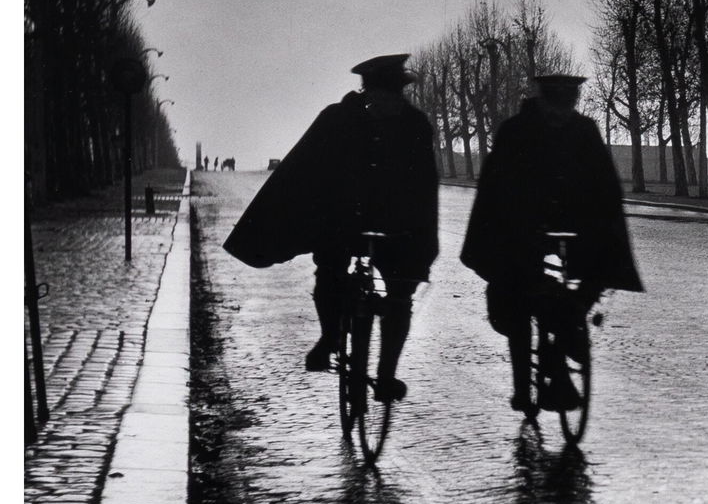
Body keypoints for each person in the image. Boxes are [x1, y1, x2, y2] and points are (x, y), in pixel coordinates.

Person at [223, 54, 439, 402]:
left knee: (401, 294)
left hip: (396, 226)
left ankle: (386, 375)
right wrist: (311, 217)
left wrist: (423, 238)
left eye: (396, 95)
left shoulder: (416, 125)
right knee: (330, 271)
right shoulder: (336, 120)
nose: (390, 102)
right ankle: (330, 336)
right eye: (383, 94)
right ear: (367, 92)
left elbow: (425, 186)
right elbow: (303, 170)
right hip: (342, 221)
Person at [461, 72, 643, 417]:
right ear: (541, 100)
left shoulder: (585, 130)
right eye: (554, 104)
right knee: (518, 301)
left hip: (573, 228)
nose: (561, 112)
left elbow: (604, 184)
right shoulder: (514, 131)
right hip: (522, 231)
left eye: (568, 104)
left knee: (595, 273)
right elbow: (497, 189)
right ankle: (521, 386)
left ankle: (570, 330)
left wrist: (602, 226)